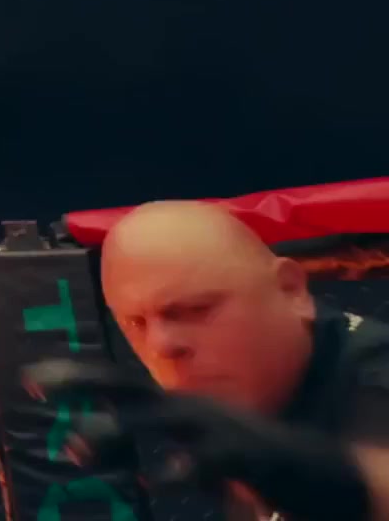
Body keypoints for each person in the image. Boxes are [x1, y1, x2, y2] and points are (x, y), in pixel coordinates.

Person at [26, 199, 389, 521]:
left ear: (290, 289)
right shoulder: (239, 417)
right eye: (135, 323)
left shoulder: (374, 373)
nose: (162, 345)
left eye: (196, 310)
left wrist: (331, 486)